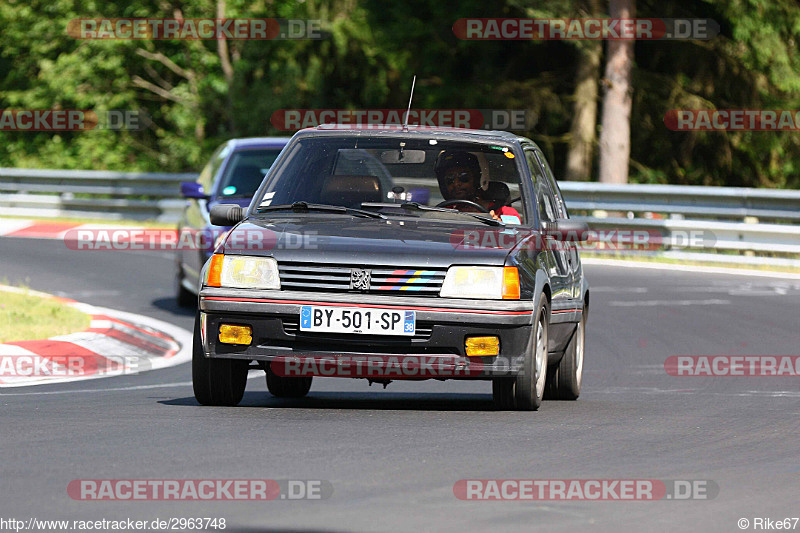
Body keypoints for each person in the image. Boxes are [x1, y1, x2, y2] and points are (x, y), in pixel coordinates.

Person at [434, 150, 521, 223]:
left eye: (463, 177)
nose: (456, 184)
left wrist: (499, 227)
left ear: (477, 179)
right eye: (449, 179)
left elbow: (516, 237)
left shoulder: (505, 213)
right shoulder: (441, 213)